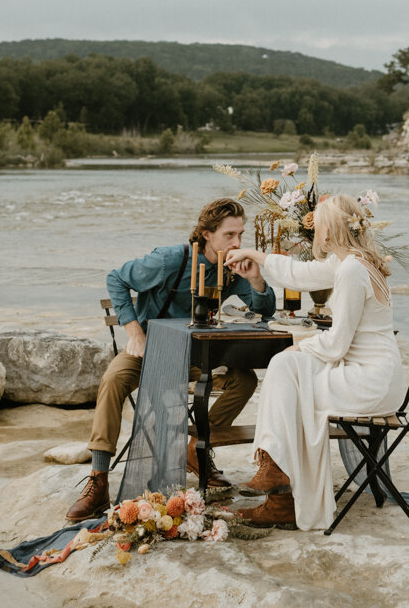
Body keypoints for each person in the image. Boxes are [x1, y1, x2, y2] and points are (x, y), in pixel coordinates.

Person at [66, 197, 277, 522]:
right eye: (230, 235)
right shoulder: (170, 260)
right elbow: (116, 278)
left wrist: (256, 280)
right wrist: (135, 333)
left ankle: (196, 447)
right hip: (152, 352)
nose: (237, 243)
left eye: (241, 235)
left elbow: (264, 313)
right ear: (207, 233)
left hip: (198, 358)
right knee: (113, 379)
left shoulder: (232, 268)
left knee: (245, 379)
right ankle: (98, 481)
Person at [224, 194, 405, 530]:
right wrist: (253, 255)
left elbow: (337, 344)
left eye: (318, 226)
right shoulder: (351, 262)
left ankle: (281, 493)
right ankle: (273, 469)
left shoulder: (352, 270)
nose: (315, 233)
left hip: (371, 381)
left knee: (292, 384)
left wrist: (302, 347)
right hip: (369, 373)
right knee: (283, 367)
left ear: (328, 233)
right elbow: (300, 274)